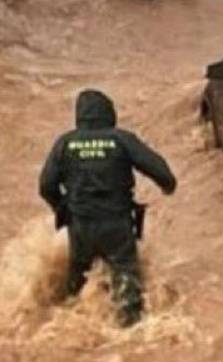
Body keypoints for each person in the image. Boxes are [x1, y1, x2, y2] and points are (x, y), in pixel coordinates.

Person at [39, 89, 177, 327]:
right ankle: (131, 337)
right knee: (127, 287)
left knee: (77, 283)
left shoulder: (65, 143)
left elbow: (45, 185)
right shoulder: (121, 139)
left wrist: (62, 207)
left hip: (80, 226)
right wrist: (168, 186)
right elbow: (160, 171)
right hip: (117, 225)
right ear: (109, 113)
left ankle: (67, 330)